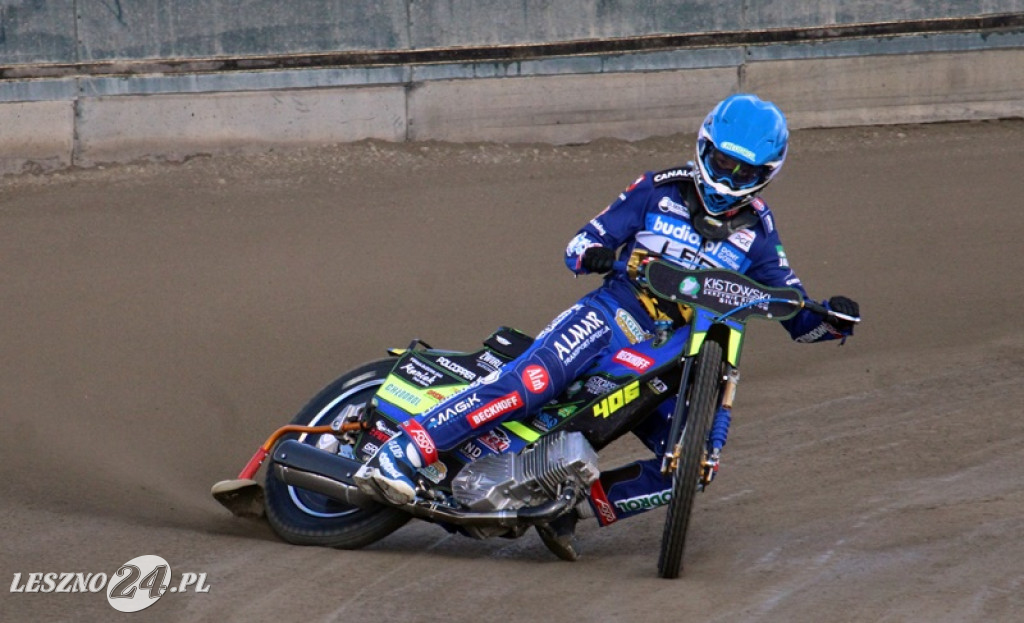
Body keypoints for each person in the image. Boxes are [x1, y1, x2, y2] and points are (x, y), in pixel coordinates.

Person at [353, 93, 861, 560]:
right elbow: (579, 243)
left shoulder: (760, 233)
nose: (727, 179)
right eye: (721, 162)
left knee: (691, 464)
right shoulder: (655, 190)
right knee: (532, 383)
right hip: (612, 315)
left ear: (767, 174)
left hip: (676, 356)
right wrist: (598, 255)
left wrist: (832, 320)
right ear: (703, 147)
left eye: (743, 172)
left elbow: (793, 311)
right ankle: (400, 453)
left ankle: (566, 509)